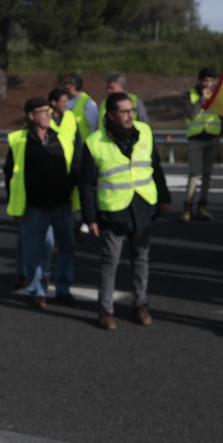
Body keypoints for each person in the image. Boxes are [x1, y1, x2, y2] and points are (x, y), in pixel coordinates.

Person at [80, 92, 168, 329]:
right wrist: (90, 218)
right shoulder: (94, 142)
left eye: (132, 110)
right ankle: (105, 310)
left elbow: (155, 166)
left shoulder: (144, 132)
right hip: (113, 209)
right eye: (124, 111)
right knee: (109, 261)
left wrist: (164, 196)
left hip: (142, 205)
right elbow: (86, 184)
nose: (130, 115)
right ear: (110, 115)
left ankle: (141, 304)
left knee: (141, 258)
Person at [5, 96, 82, 307]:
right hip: (34, 206)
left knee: (67, 248)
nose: (49, 115)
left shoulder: (62, 137)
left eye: (49, 111)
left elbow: (75, 165)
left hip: (62, 204)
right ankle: (38, 290)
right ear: (31, 116)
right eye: (43, 112)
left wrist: (73, 185)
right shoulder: (19, 140)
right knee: (34, 251)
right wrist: (14, 205)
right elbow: (10, 174)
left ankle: (63, 289)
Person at [181, 66, 223, 222]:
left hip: (212, 137)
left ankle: (202, 207)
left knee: (207, 174)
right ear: (200, 81)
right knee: (194, 173)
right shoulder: (190, 95)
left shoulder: (218, 95)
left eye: (211, 81)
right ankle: (187, 208)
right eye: (206, 81)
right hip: (196, 138)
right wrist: (202, 100)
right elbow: (191, 115)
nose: (208, 84)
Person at [58, 72, 96, 140]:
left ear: (74, 85)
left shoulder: (87, 102)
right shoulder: (62, 101)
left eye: (67, 83)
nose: (64, 86)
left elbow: (94, 125)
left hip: (83, 142)